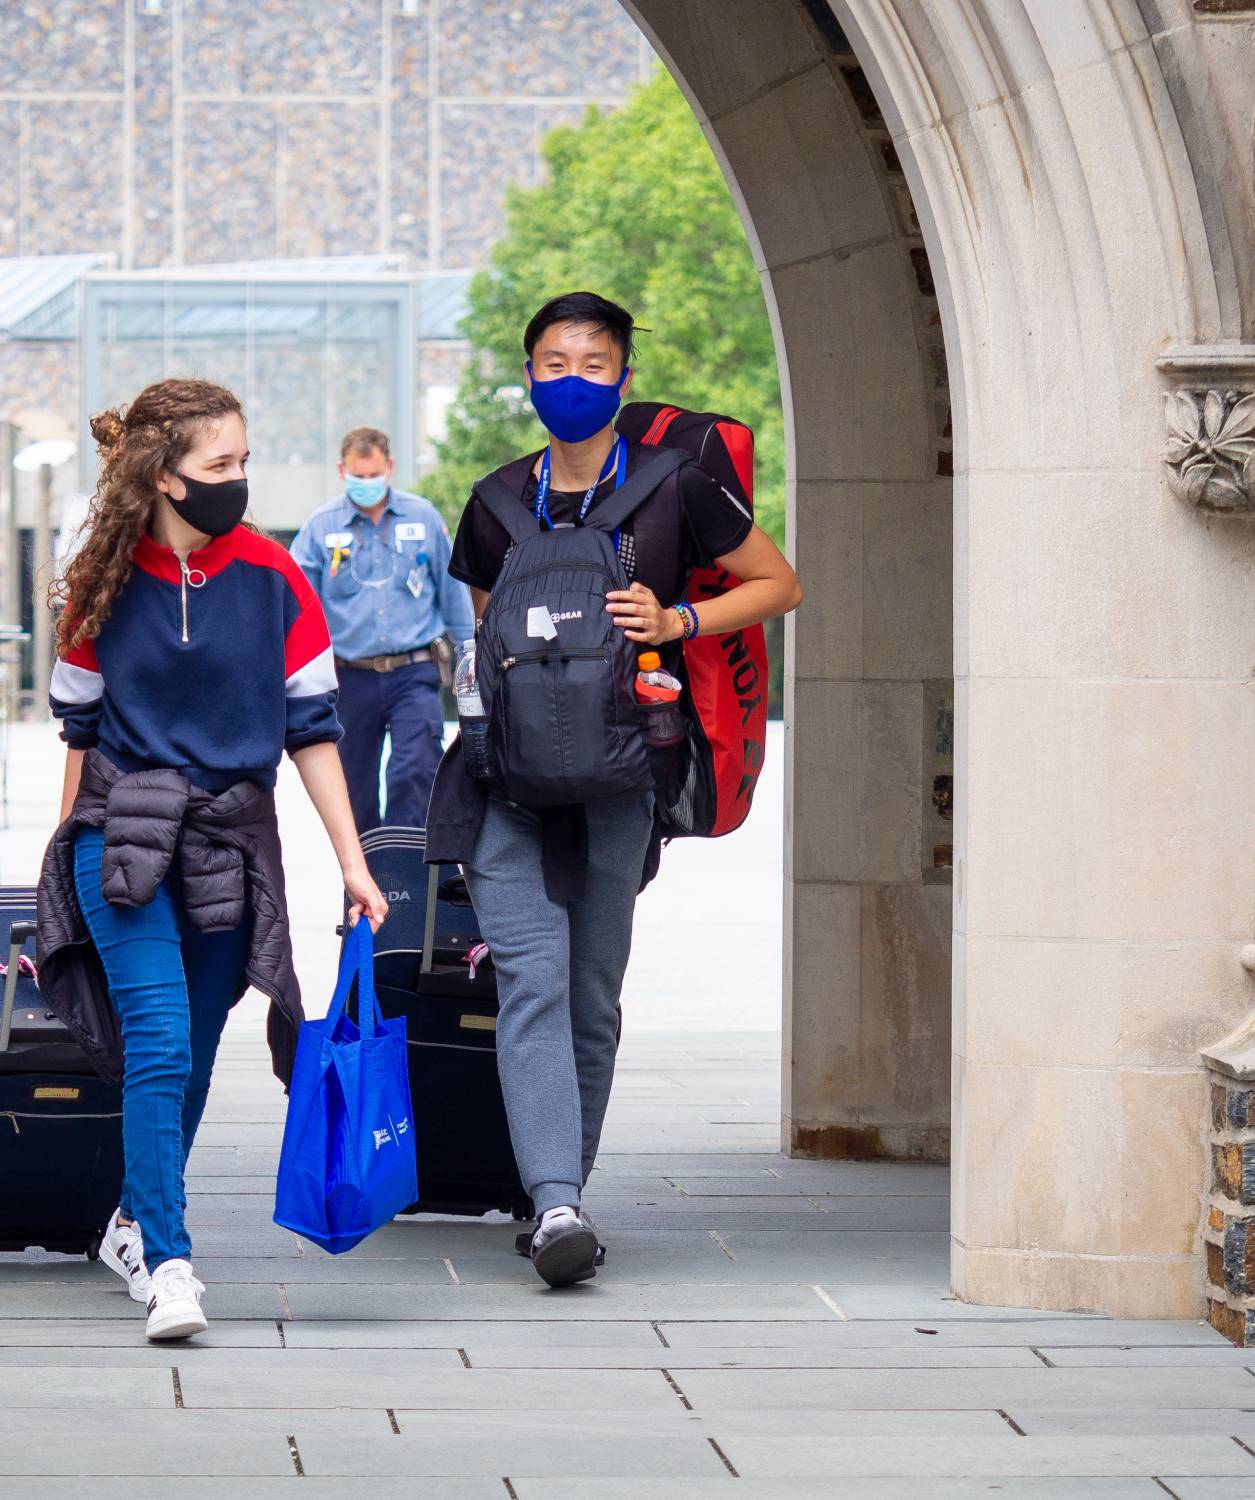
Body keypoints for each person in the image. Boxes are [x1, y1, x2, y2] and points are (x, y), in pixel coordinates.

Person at [429, 292, 801, 1287]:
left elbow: (778, 584)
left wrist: (680, 620)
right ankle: (554, 1204)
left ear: (625, 377)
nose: (572, 380)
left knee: (591, 994)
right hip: (505, 786)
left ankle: (563, 1193)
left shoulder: (680, 487)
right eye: (553, 362)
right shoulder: (497, 500)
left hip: (621, 780)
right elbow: (484, 641)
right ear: (528, 376)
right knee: (535, 984)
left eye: (593, 363)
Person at [45, 378, 388, 1341]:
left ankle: (129, 1220)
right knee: (156, 1040)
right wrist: (59, 850)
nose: (240, 480)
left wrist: (353, 864)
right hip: (120, 839)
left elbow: (312, 731)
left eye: (244, 460)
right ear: (164, 476)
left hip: (229, 847)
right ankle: (169, 1262)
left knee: (189, 1055)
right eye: (221, 466)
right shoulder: (100, 586)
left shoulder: (277, 580)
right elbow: (77, 728)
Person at [290, 426, 474, 833]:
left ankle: (405, 867)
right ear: (342, 470)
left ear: (389, 468)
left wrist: (469, 664)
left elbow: (453, 595)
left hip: (414, 671)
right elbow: (298, 610)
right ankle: (365, 879)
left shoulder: (423, 518)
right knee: (352, 785)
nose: (367, 485)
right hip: (348, 677)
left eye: (375, 476)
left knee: (416, 769)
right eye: (359, 477)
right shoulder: (320, 529)